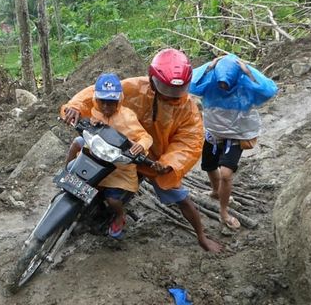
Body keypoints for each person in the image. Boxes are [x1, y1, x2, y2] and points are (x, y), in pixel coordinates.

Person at [61, 49, 222, 253]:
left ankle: (201, 236)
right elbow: (96, 94)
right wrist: (75, 106)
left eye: (175, 91)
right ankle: (84, 209)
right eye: (164, 89)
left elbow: (189, 144)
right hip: (117, 148)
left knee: (181, 198)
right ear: (152, 78)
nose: (170, 96)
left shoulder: (188, 111)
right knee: (85, 159)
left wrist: (168, 164)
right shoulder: (134, 88)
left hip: (154, 161)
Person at [189, 54, 278, 230]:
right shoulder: (210, 82)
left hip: (236, 137)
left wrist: (248, 71)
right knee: (208, 166)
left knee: (226, 174)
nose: (223, 86)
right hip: (214, 134)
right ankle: (216, 192)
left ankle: (224, 212)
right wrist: (209, 67)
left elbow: (269, 90)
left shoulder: (246, 84)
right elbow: (189, 83)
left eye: (227, 83)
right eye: (220, 82)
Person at [65, 73, 153, 238]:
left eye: (111, 102)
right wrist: (84, 120)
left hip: (117, 167)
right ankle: (67, 171)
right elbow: (80, 114)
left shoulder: (127, 117)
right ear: (96, 99)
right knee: (76, 143)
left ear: (119, 100)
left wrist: (140, 145)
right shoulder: (94, 110)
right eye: (102, 101)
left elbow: (146, 137)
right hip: (94, 156)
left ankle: (120, 215)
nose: (106, 106)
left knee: (112, 200)